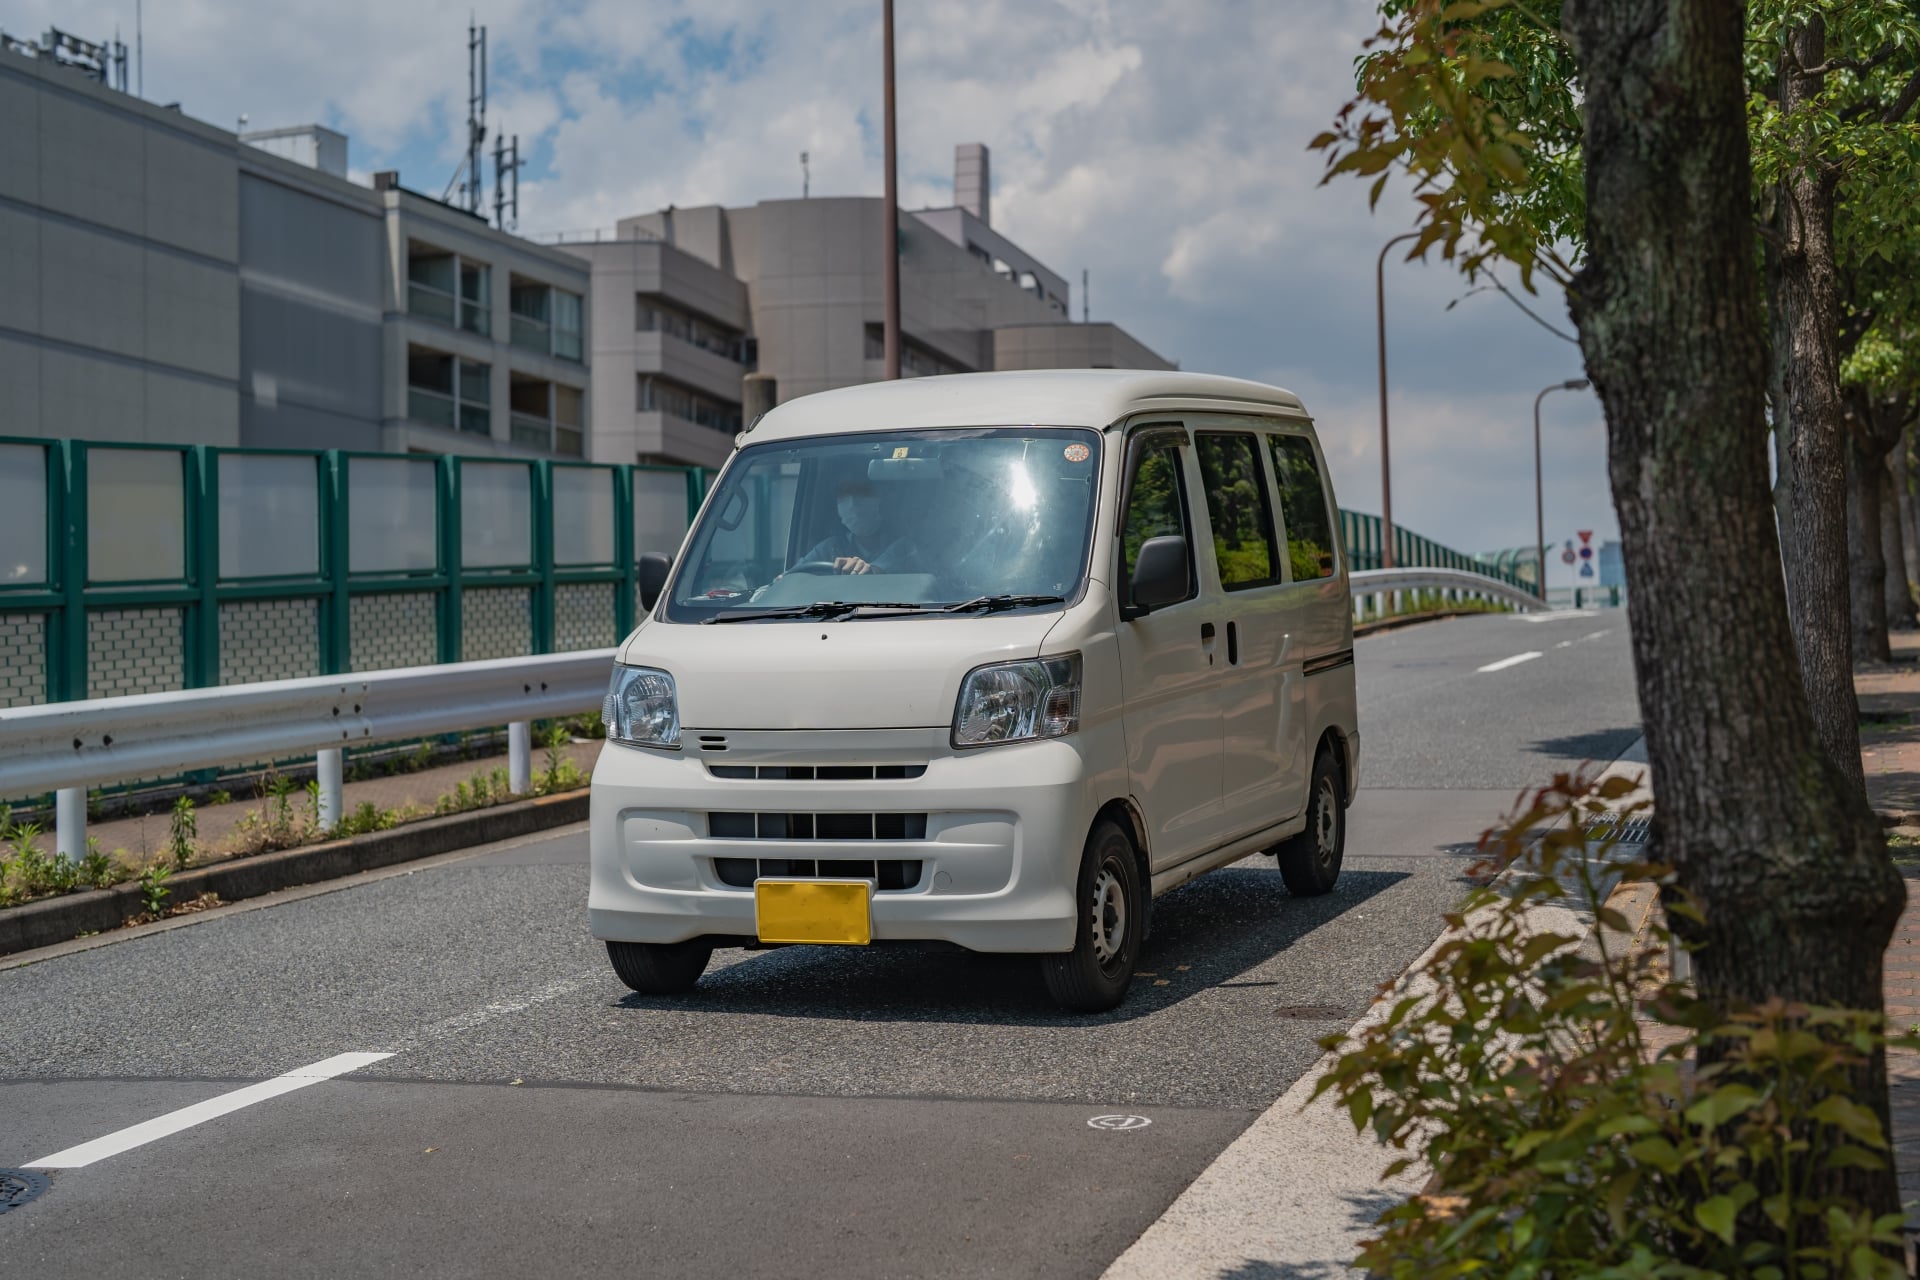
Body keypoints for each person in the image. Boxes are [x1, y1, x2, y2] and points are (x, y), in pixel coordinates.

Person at [795, 478, 919, 575]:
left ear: (879, 499)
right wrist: (786, 579)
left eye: (861, 492)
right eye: (844, 495)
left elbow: (882, 566)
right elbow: (793, 577)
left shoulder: (905, 546)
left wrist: (866, 570)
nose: (852, 503)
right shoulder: (829, 548)